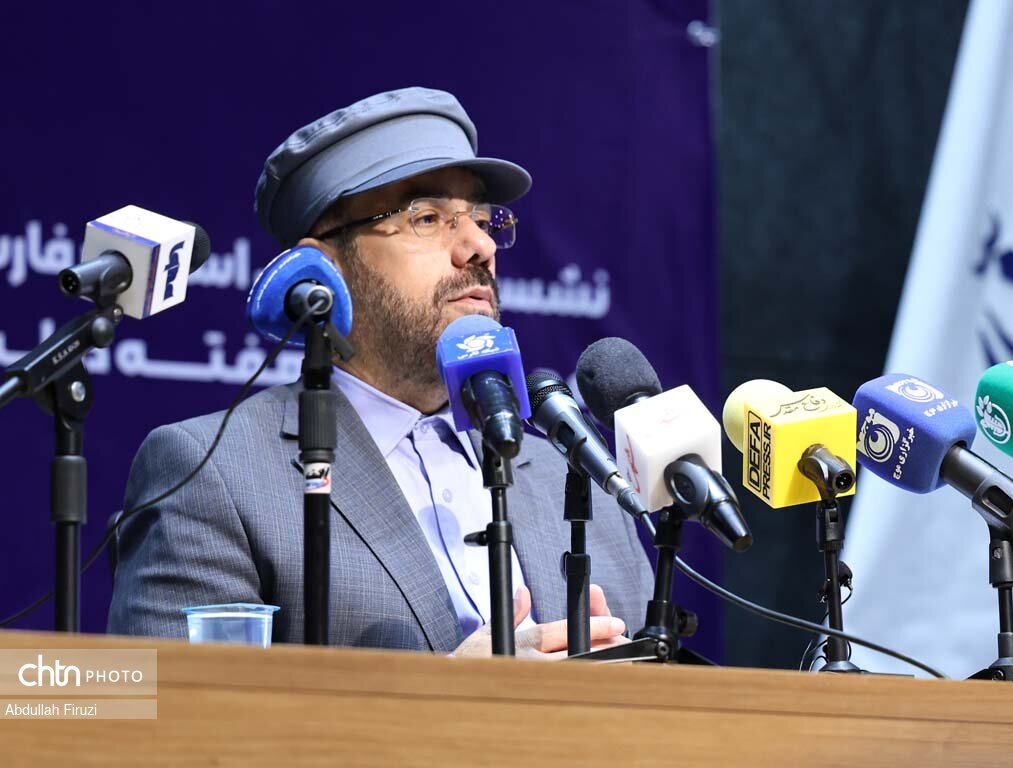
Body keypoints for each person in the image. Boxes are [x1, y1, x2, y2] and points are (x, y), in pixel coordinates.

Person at [108, 88, 654, 657]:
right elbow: (162, 703)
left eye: (482, 219)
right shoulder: (212, 473)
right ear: (324, 266)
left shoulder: (581, 476)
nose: (479, 245)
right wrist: (443, 697)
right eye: (428, 218)